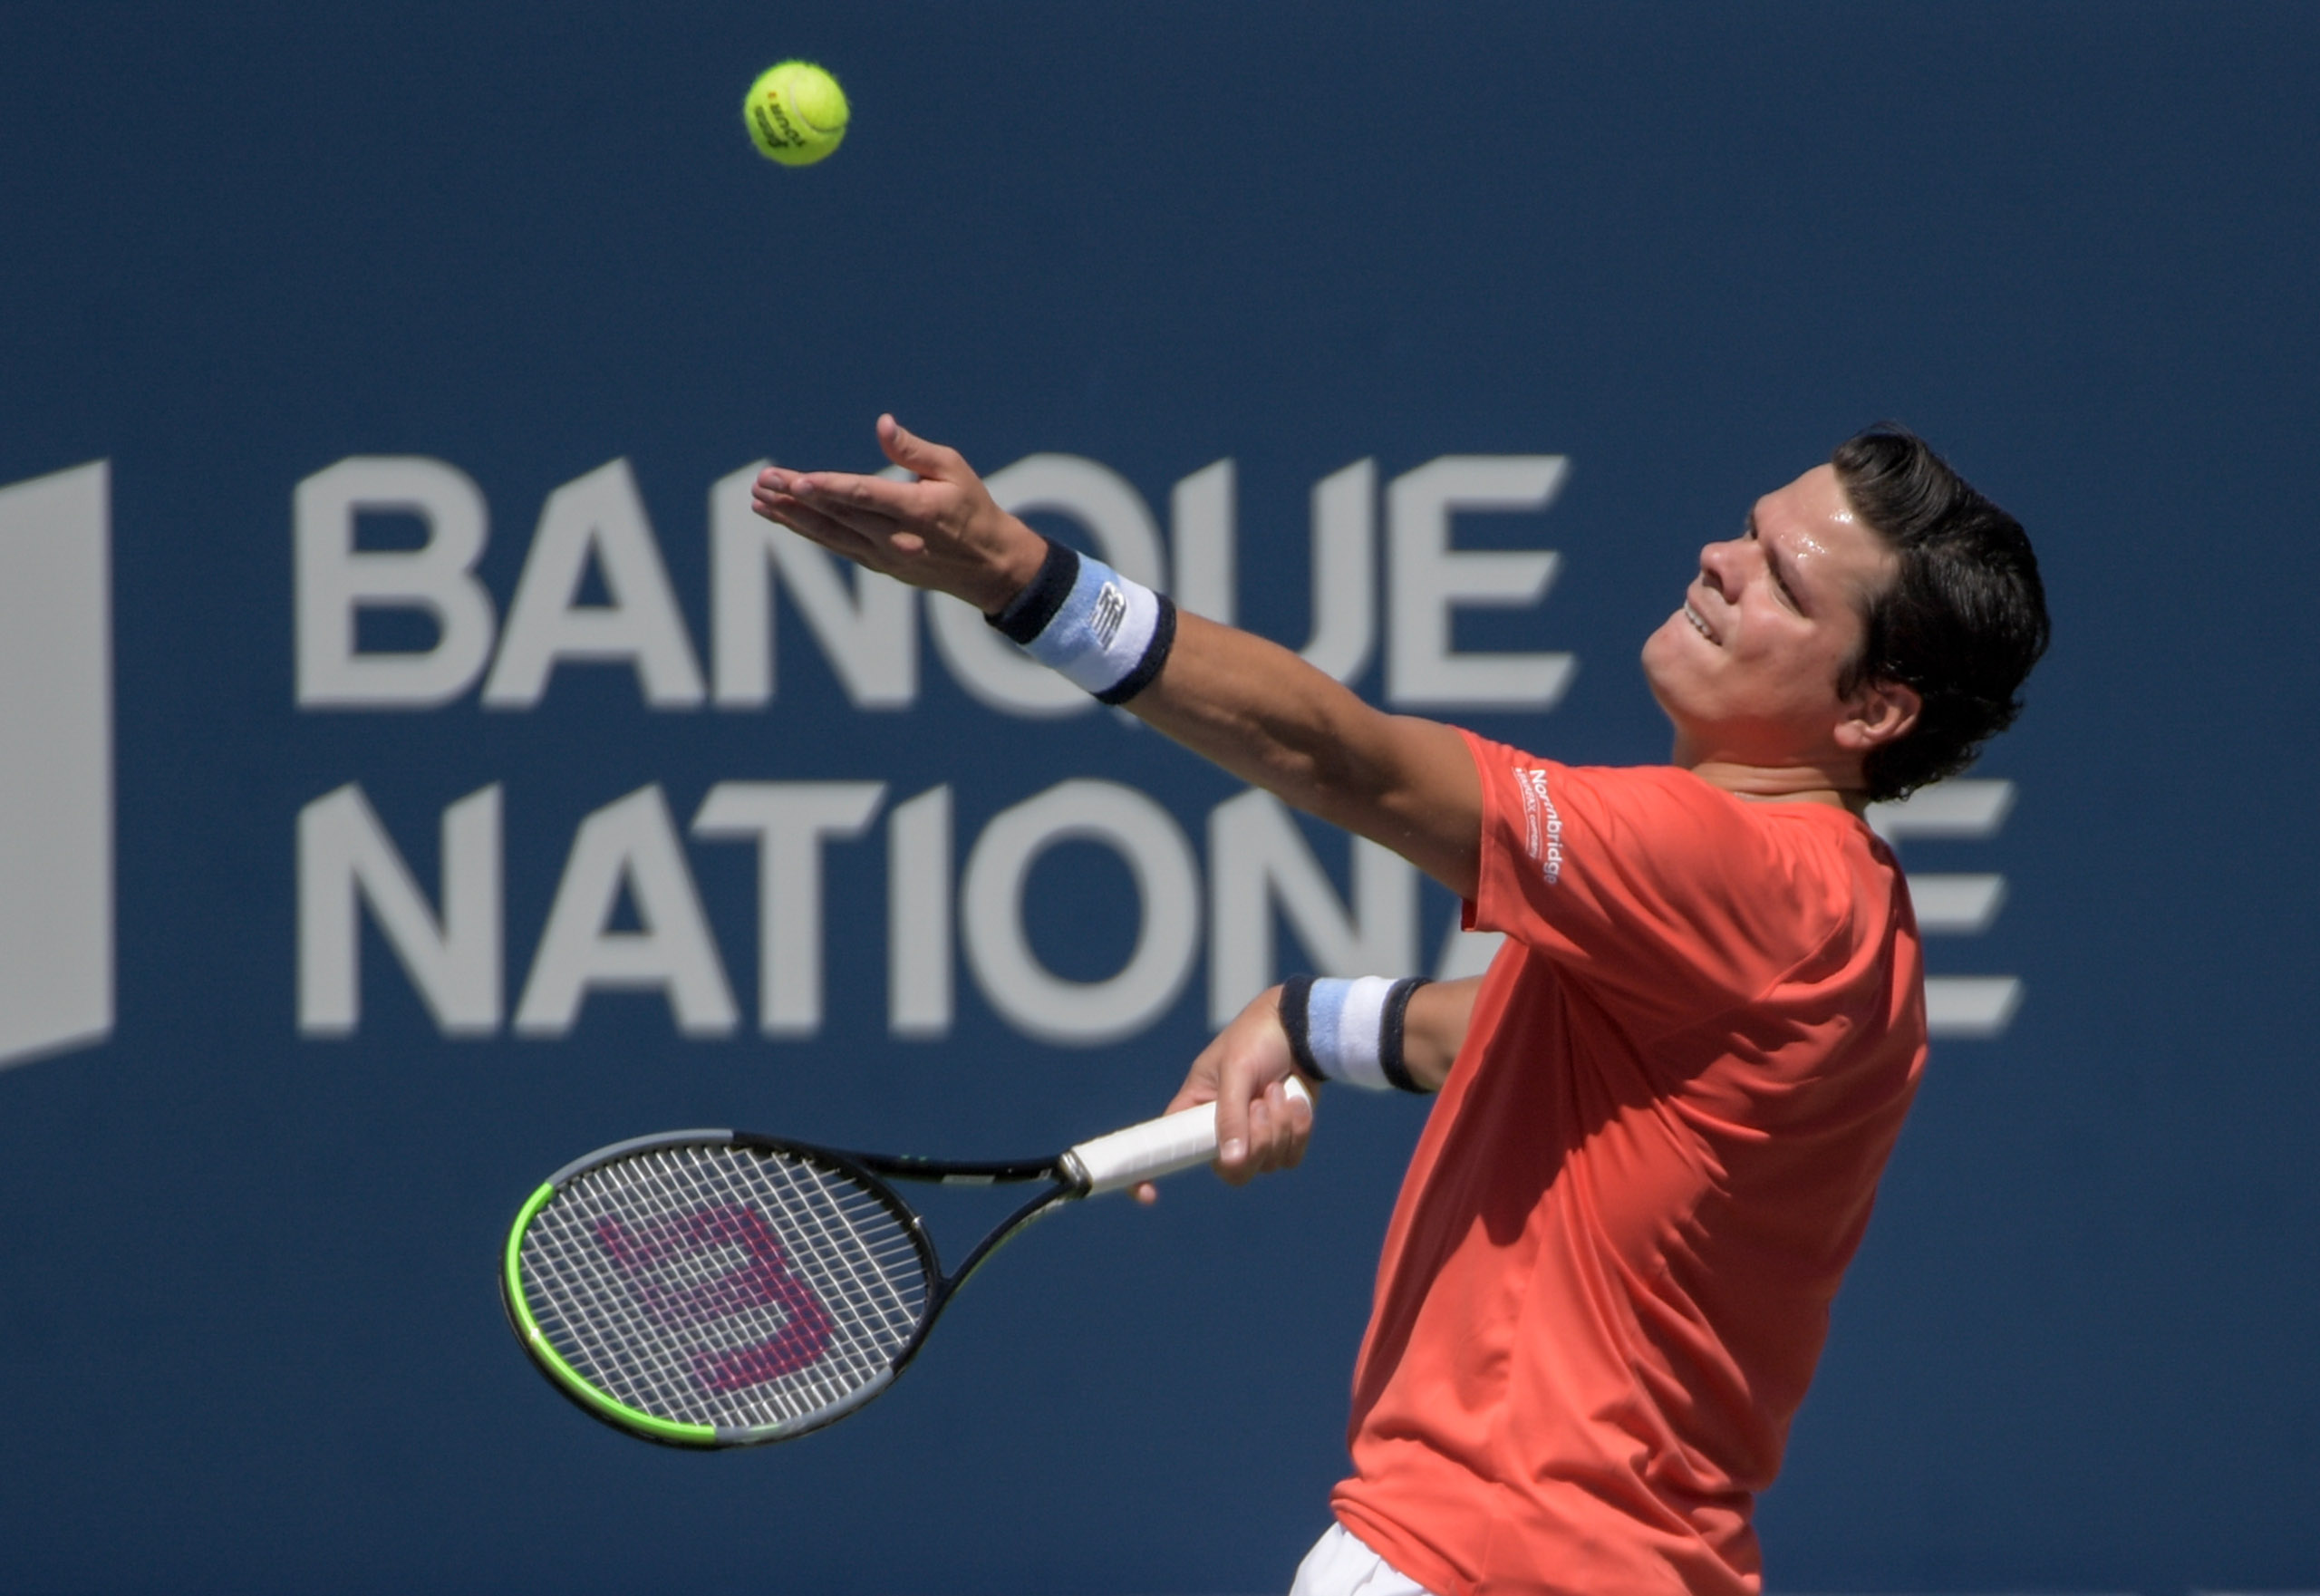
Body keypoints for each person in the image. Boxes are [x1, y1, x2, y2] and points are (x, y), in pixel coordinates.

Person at [750, 417, 2048, 1596]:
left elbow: (1340, 755)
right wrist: (1310, 1018)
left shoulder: (1732, 864)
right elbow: (1533, 1048)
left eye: (1782, 579)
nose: (1719, 560)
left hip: (1473, 1560)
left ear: (1875, 706)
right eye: (1748, 530)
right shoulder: (1855, 917)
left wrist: (1020, 580)